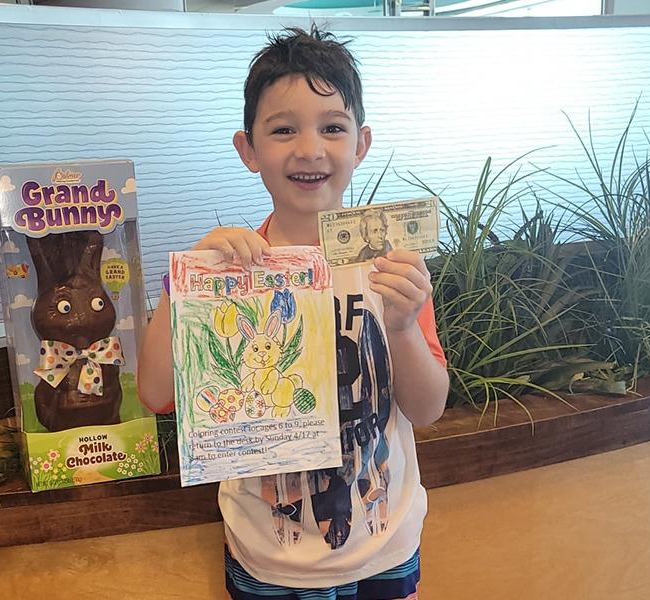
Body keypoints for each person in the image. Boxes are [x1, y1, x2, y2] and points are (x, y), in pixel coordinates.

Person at [138, 25, 449, 600]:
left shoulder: (391, 268)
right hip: (267, 559)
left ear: (361, 142)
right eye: (283, 130)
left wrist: (403, 325)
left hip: (384, 547)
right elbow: (157, 393)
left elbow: (427, 409)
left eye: (333, 127)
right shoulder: (229, 274)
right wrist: (185, 287)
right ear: (248, 149)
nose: (309, 149)